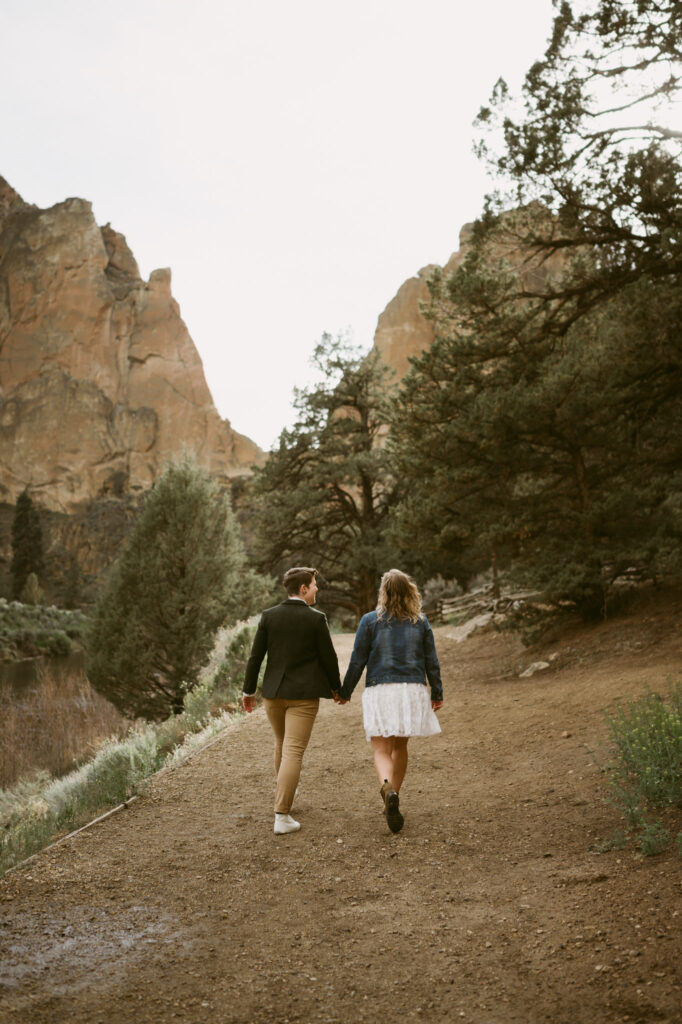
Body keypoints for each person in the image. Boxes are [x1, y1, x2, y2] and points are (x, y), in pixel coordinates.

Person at [337, 569, 443, 833]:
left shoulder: (369, 621)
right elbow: (432, 661)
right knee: (400, 746)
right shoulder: (421, 621)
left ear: (383, 592)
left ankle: (387, 788)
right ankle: (393, 796)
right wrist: (437, 693)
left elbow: (358, 660)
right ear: (410, 592)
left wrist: (345, 690)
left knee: (381, 749)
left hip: (381, 689)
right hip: (412, 690)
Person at [242, 566, 344, 835]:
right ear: (303, 589)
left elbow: (255, 658)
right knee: (294, 751)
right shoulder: (316, 619)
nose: (317, 589)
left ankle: (284, 793)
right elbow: (329, 658)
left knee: (281, 743)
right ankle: (282, 816)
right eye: (313, 585)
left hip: (273, 694)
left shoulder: (269, 616)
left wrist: (248, 691)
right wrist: (337, 688)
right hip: (303, 697)